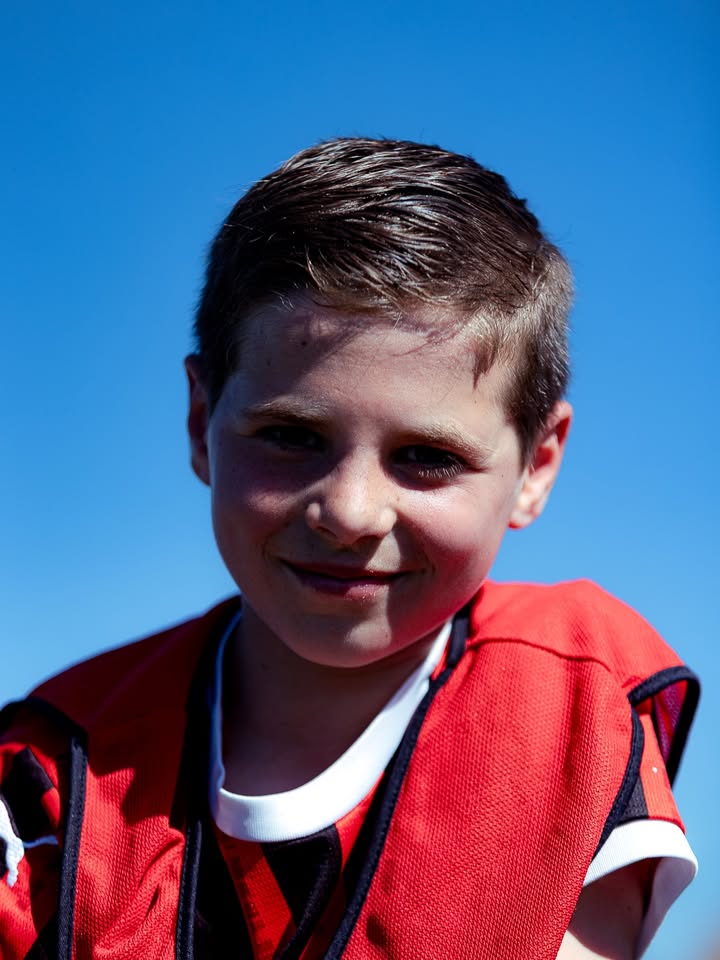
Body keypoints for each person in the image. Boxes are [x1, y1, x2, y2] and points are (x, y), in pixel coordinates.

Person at [0, 138, 699, 960]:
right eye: (291, 435)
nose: (350, 513)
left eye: (427, 456)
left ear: (536, 468)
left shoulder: (577, 720)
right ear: (200, 421)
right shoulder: (50, 767)